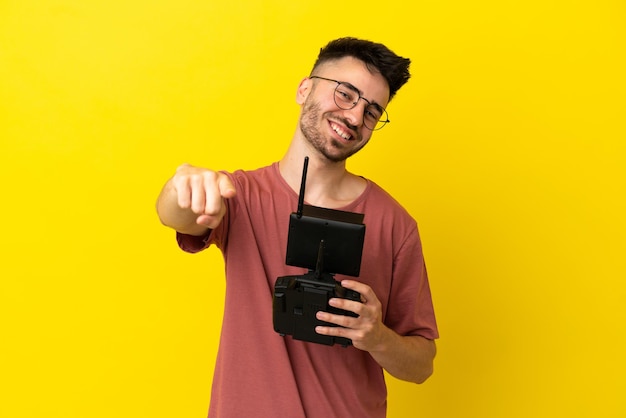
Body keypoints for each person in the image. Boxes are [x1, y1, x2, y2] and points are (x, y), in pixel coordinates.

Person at [156, 37, 439, 418]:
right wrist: (181, 185)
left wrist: (377, 336)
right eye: (345, 94)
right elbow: (176, 214)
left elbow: (421, 365)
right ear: (305, 88)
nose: (355, 117)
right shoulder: (238, 194)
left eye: (372, 112)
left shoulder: (395, 225)